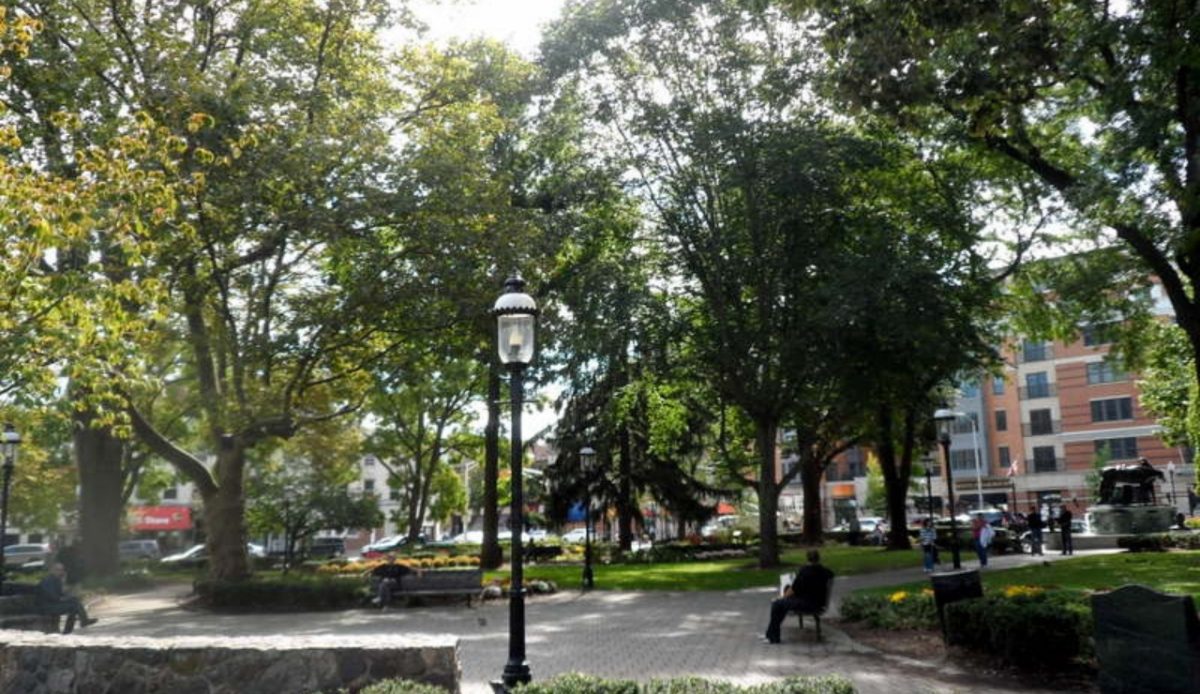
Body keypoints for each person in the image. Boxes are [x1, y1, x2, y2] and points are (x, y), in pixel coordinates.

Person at [763, 549, 834, 644]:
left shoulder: (805, 572)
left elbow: (793, 589)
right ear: (818, 558)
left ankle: (773, 636)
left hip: (807, 603)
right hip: (819, 603)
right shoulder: (826, 572)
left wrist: (782, 597)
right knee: (782, 604)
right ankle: (771, 634)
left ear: (807, 559)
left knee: (777, 604)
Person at [36, 562, 97, 634]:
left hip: (54, 604)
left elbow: (62, 594)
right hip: (47, 607)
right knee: (74, 606)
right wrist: (65, 599)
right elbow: (53, 597)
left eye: (61, 570)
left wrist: (68, 596)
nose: (60, 572)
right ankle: (80, 623)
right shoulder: (48, 581)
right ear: (52, 570)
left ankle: (73, 627)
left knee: (74, 602)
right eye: (57, 570)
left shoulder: (57, 580)